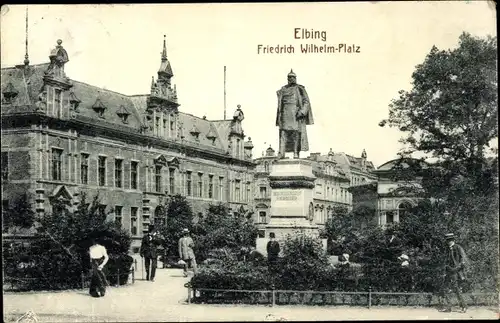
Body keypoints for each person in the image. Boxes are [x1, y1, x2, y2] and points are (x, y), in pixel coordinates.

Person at [276, 69, 314, 159]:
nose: (291, 79)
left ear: (295, 78)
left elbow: (306, 102)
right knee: (283, 133)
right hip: (284, 114)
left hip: (296, 115)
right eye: (289, 77)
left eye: (292, 77)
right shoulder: (283, 89)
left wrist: (302, 112)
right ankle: (282, 152)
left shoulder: (299, 88)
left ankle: (296, 152)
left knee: (296, 134)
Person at [440, 233, 469, 313]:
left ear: (453, 240)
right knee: (445, 288)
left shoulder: (458, 248)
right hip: (448, 271)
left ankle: (464, 306)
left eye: (450, 240)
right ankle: (448, 307)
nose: (449, 241)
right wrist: (445, 271)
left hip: (456, 272)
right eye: (447, 240)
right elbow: (446, 261)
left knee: (456, 289)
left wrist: (457, 268)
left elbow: (463, 259)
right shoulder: (447, 249)